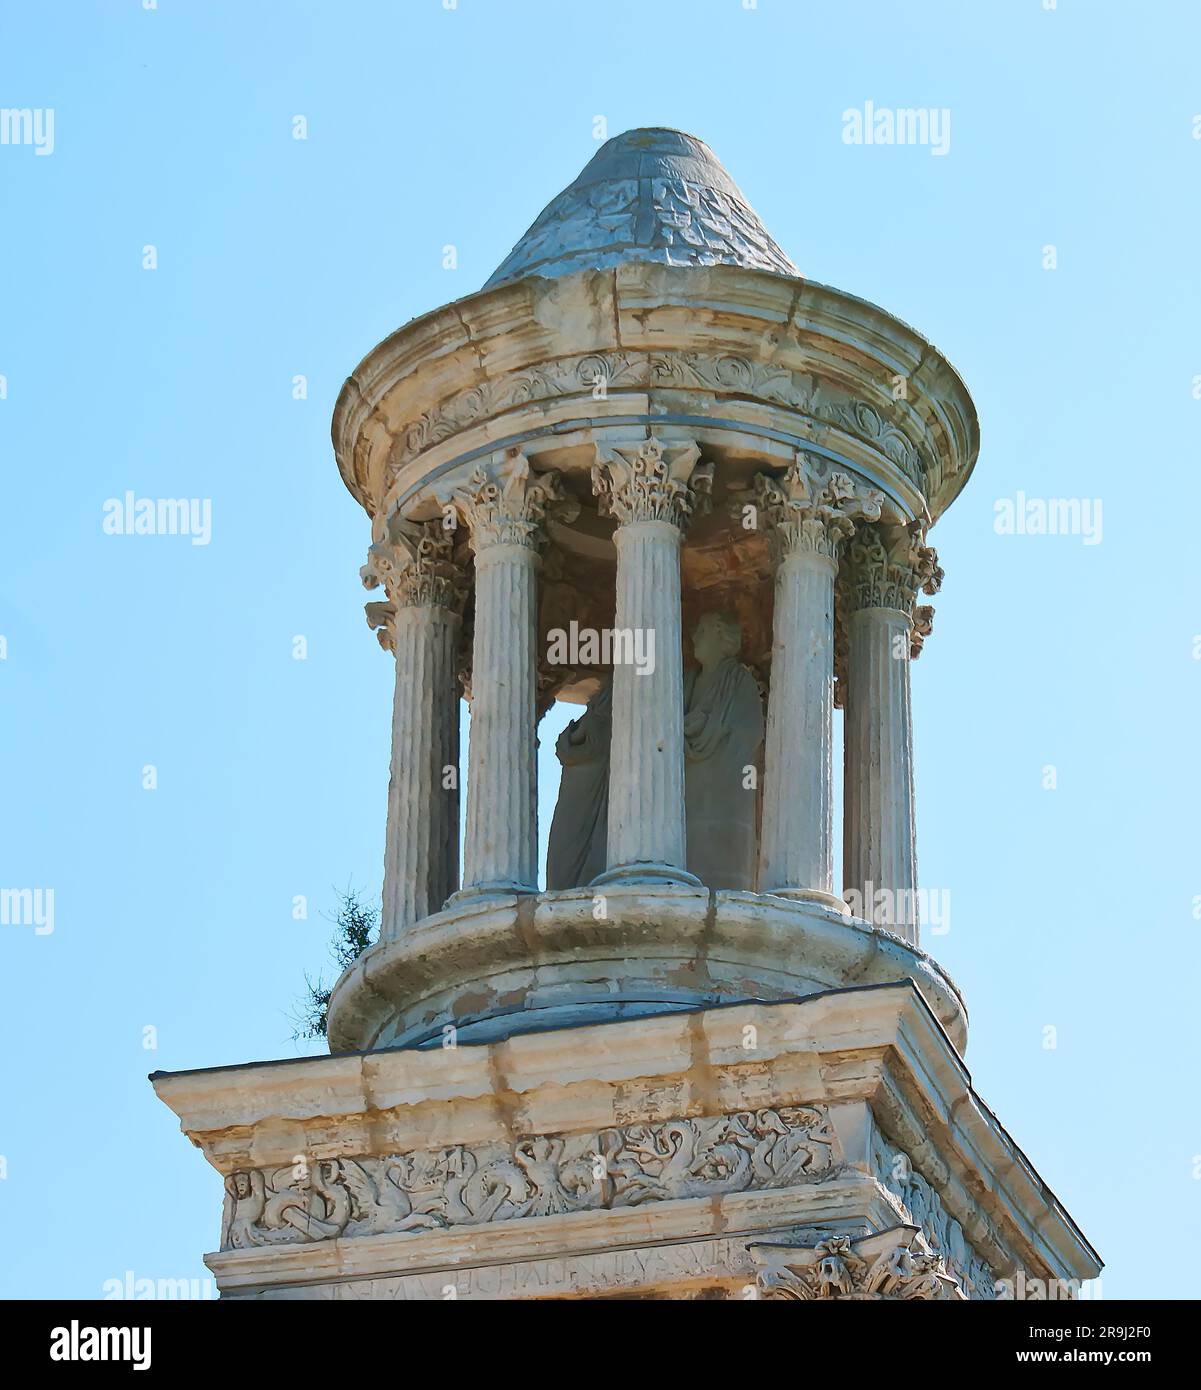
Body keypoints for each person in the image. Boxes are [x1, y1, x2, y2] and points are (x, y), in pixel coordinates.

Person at [683, 613, 764, 889]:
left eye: (701, 629)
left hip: (724, 784)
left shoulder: (739, 681)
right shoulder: (688, 681)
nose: (694, 637)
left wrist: (708, 727)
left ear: (720, 635)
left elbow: (749, 731)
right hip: (688, 782)